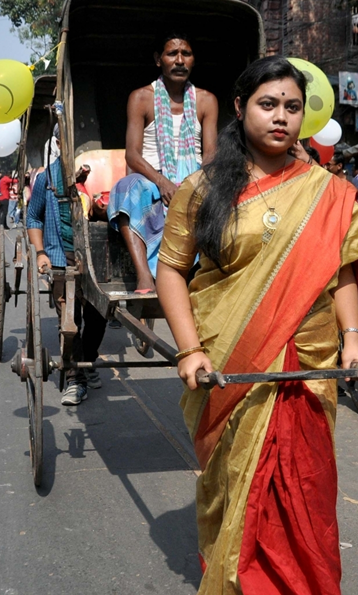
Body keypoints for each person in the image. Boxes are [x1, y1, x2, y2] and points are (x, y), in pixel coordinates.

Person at [158, 56, 358, 595]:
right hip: (232, 363)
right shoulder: (203, 188)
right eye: (268, 104)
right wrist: (188, 350)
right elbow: (172, 269)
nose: (281, 117)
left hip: (307, 365)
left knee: (302, 499)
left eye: (292, 106)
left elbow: (342, 271)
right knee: (240, 492)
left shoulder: (326, 191)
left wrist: (352, 339)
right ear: (240, 108)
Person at [109, 32, 218, 294]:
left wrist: (195, 183)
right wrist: (163, 182)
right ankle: (144, 276)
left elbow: (210, 155)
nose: (180, 60)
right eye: (172, 54)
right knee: (126, 189)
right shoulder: (141, 98)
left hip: (193, 178)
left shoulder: (206, 100)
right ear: (159, 59)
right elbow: (132, 155)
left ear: (193, 60)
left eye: (186, 54)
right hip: (151, 179)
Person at [26, 131, 108, 404]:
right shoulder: (47, 178)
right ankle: (75, 378)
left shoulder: (100, 170)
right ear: (59, 144)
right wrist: (40, 253)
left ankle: (88, 359)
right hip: (61, 256)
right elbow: (33, 217)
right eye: (68, 140)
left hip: (96, 257)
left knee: (98, 317)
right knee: (69, 321)